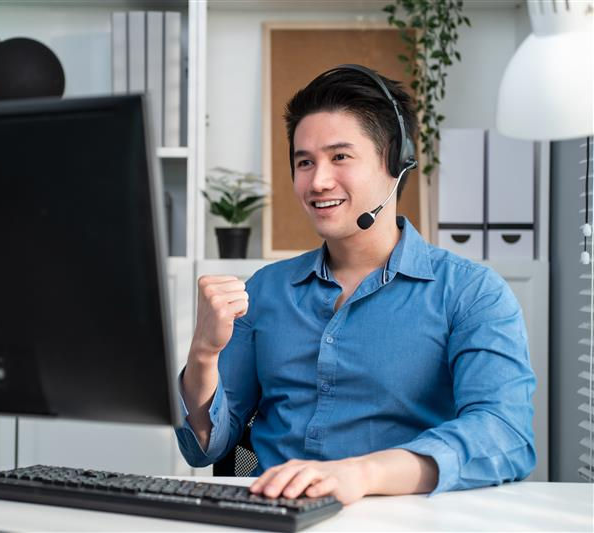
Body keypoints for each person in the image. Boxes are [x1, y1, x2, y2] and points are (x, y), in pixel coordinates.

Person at [174, 65, 536, 505]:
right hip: (271, 516)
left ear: (396, 162)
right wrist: (204, 353)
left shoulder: (471, 293)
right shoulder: (265, 291)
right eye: (304, 162)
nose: (318, 181)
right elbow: (204, 445)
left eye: (340, 157)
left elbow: (505, 432)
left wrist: (362, 474)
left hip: (403, 518)